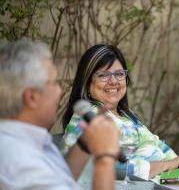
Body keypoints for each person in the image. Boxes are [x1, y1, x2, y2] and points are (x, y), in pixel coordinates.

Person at [62, 44, 179, 181]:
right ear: (87, 83)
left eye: (119, 74)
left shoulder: (126, 115)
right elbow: (111, 166)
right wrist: (167, 165)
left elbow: (156, 144)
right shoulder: (88, 118)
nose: (113, 81)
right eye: (103, 75)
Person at [0, 40, 119, 190]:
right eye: (55, 83)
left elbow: (61, 181)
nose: (60, 91)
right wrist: (105, 159)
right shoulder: (20, 161)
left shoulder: (24, 140)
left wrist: (85, 144)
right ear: (32, 97)